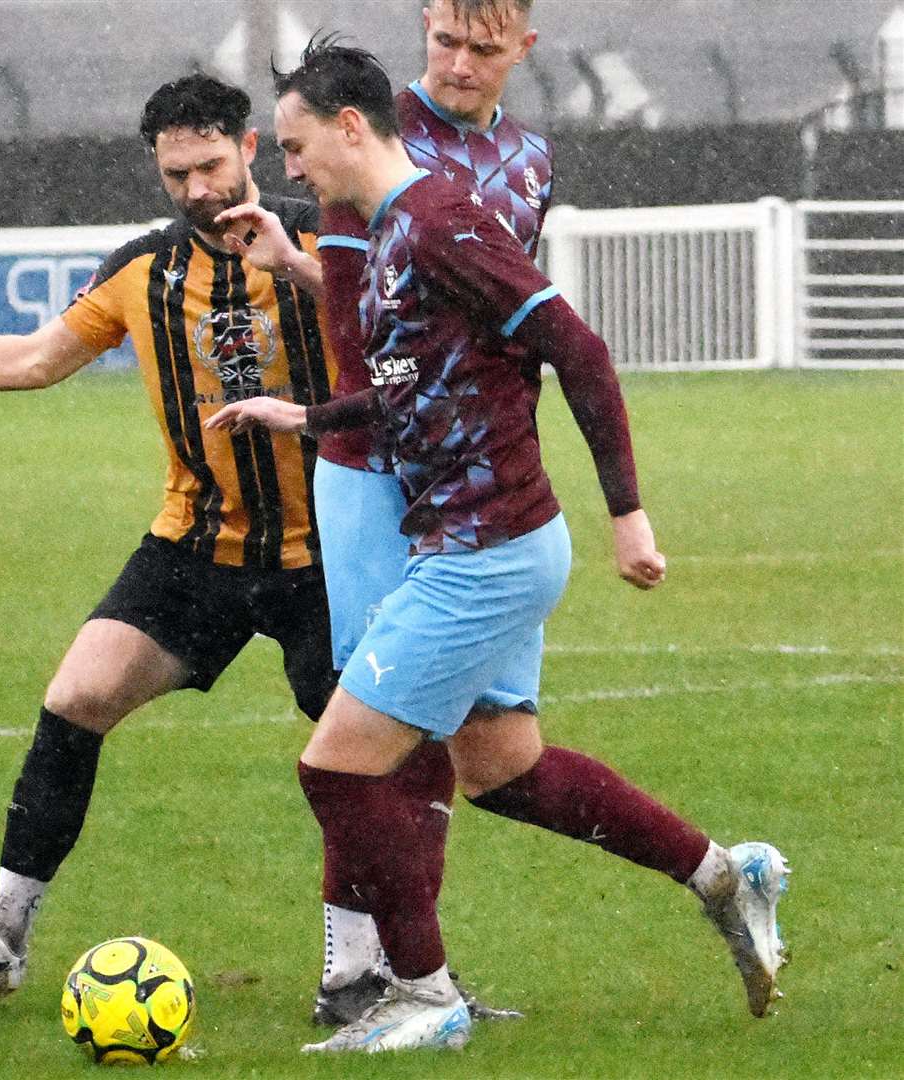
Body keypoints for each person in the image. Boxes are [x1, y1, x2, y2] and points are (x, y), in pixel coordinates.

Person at [206, 37, 790, 1054]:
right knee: (503, 767)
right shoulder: (388, 233)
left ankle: (422, 999)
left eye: (297, 146)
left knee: (340, 767)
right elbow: (404, 389)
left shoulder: (439, 222)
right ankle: (722, 875)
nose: (290, 170)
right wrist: (301, 418)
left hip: (488, 551)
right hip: (473, 544)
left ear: (350, 127)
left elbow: (578, 350)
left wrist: (629, 513)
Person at [0, 74, 348, 998]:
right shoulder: (144, 268)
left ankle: (367, 967)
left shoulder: (325, 241)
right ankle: (2, 935)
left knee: (357, 764)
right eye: (175, 173)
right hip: (197, 547)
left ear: (251, 149)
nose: (196, 190)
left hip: (332, 553)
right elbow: (34, 355)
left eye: (211, 165)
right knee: (76, 698)